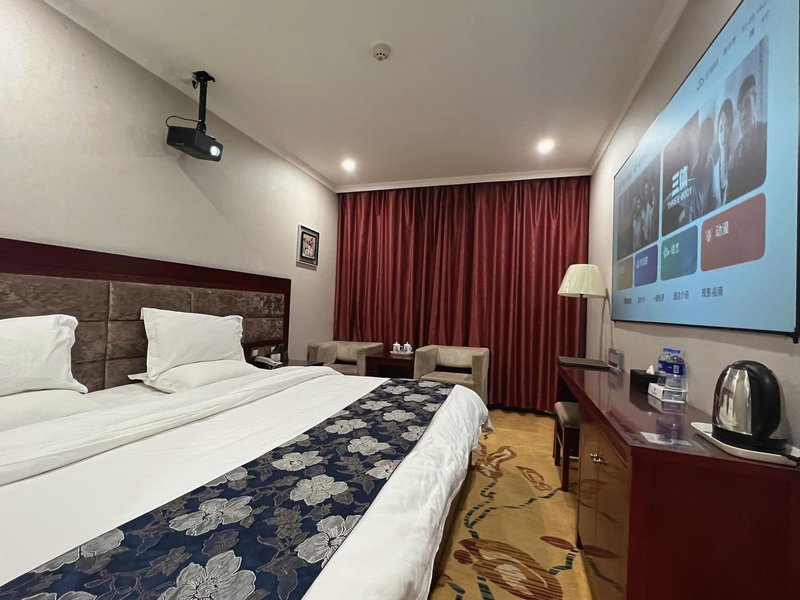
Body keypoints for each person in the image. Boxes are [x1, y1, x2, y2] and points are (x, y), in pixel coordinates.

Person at [726, 74, 767, 202]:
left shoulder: (768, 134)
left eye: (747, 105)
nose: (743, 115)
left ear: (756, 103)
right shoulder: (735, 156)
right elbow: (729, 198)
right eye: (740, 110)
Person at [709, 99, 733, 208]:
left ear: (730, 127)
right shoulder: (712, 172)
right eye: (720, 127)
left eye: (726, 125)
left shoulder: (737, 162)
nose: (722, 131)